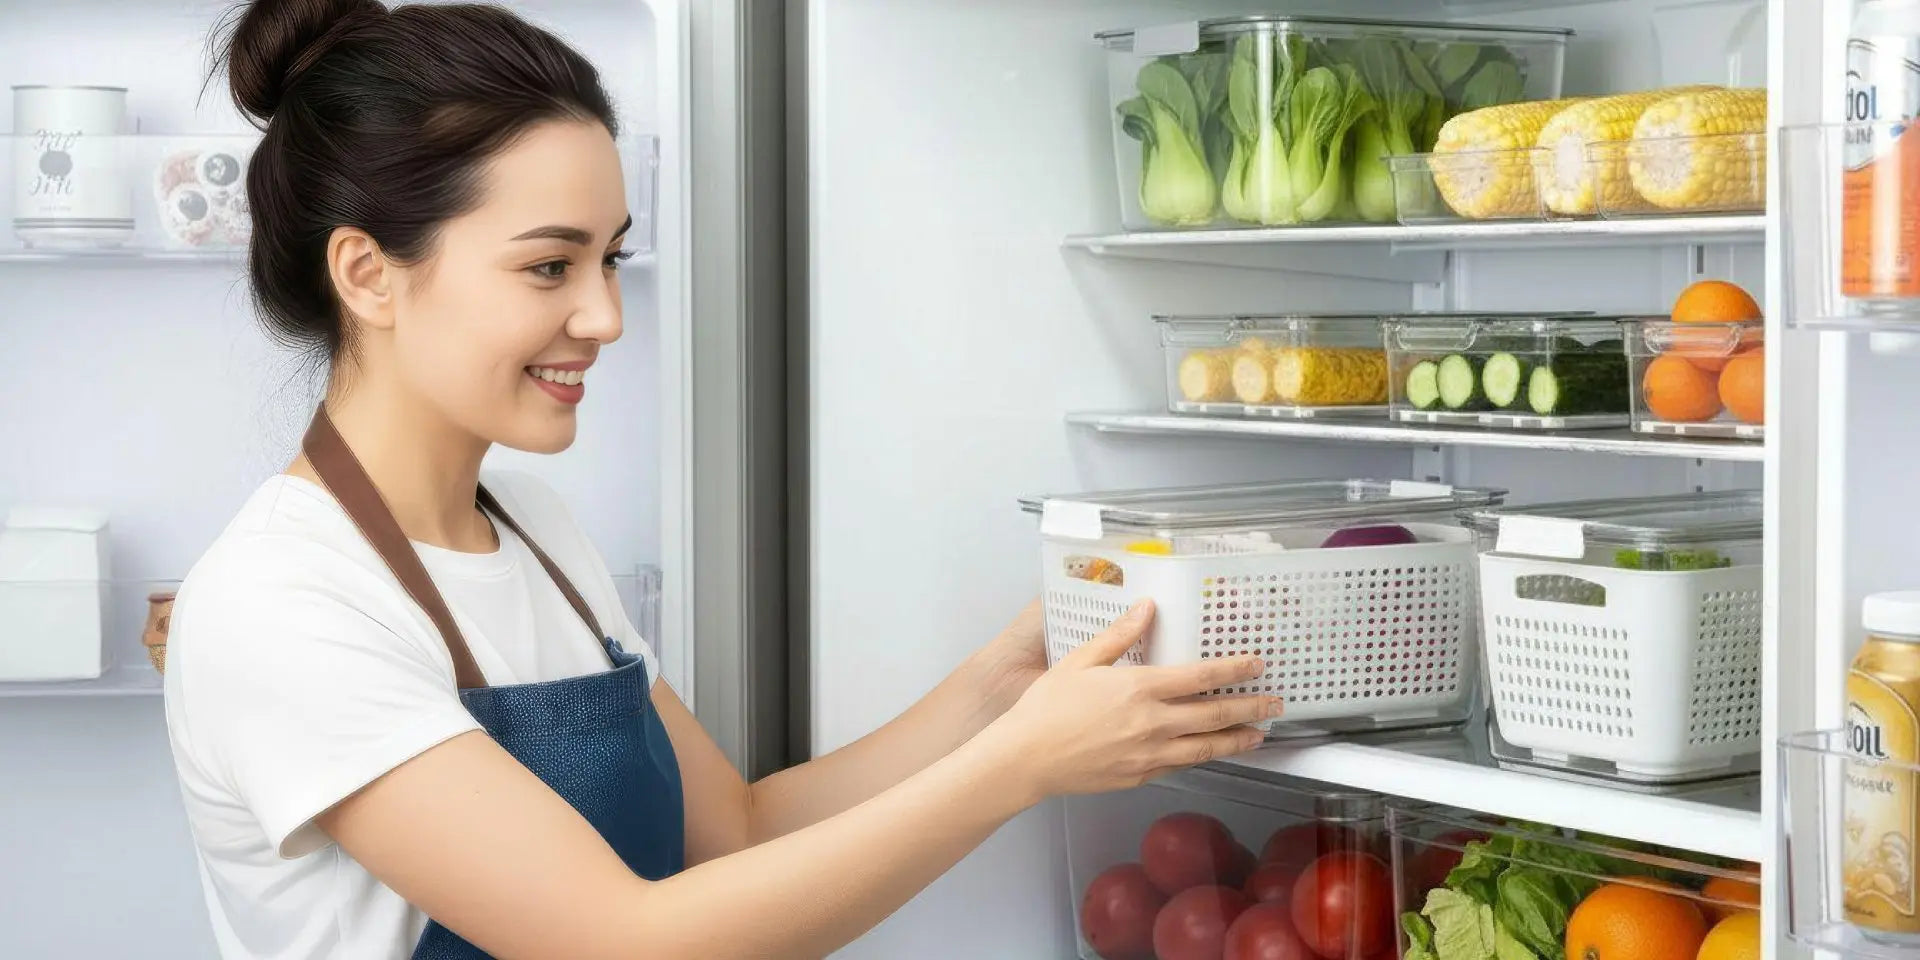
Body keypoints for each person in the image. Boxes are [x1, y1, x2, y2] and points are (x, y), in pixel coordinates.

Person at [162, 3, 1285, 958]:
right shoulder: (285, 603)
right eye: (550, 264)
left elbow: (739, 833)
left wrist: (1002, 688)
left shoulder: (536, 537)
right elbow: (619, 938)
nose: (601, 315)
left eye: (610, 258)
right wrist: (1019, 769)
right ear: (366, 273)